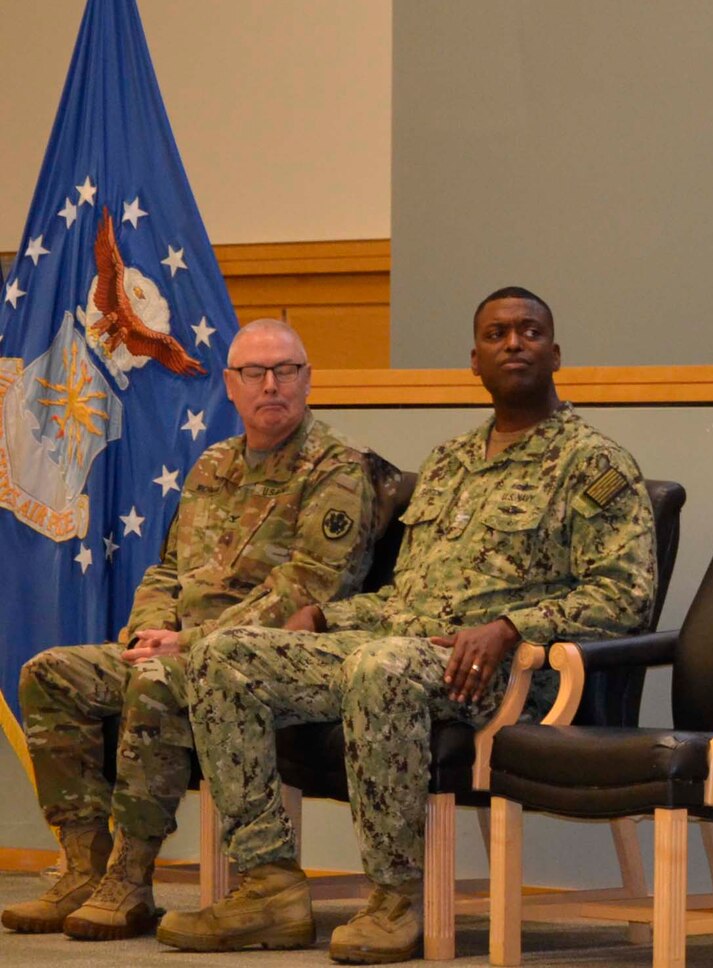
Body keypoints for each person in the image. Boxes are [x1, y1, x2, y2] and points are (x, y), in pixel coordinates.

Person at [157, 287, 656, 964]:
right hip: (405, 646)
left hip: (503, 674)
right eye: (498, 334)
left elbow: (625, 595)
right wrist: (328, 615)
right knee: (225, 655)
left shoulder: (592, 465)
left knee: (379, 667)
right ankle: (268, 883)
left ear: (555, 353)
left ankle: (396, 896)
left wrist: (510, 625)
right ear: (474, 361)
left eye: (531, 332)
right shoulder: (450, 463)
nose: (514, 343)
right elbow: (410, 597)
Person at [1, 319, 379, 941]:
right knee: (50, 674)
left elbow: (310, 591)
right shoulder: (212, 465)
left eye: (286, 370)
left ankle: (129, 876)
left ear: (308, 380)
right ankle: (84, 864)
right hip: (176, 647)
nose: (271, 385)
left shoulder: (337, 470)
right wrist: (147, 631)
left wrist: (189, 644)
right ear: (230, 386)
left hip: (259, 663)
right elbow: (168, 570)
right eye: (254, 373)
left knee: (154, 681)